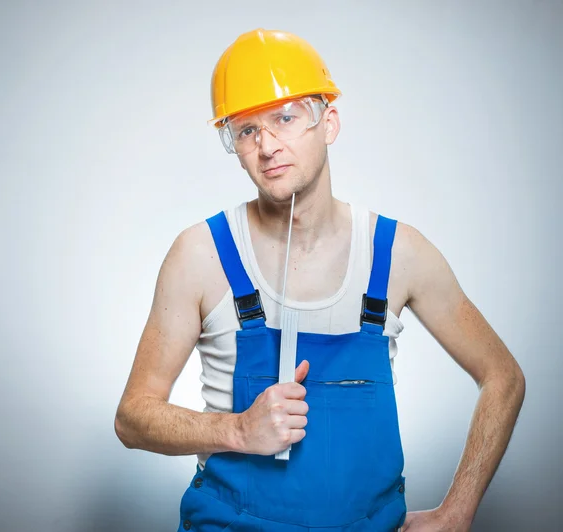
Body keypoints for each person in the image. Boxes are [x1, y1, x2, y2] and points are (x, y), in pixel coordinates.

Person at [114, 28, 525, 532]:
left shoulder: (396, 254)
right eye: (245, 130)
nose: (267, 146)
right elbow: (132, 417)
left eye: (284, 118)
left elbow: (503, 376)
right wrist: (239, 430)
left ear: (328, 122)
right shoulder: (201, 256)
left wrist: (457, 512)